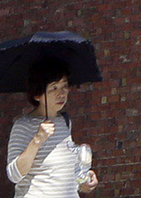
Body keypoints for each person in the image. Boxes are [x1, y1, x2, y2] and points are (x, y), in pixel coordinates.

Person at [7, 58, 98, 197]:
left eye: (64, 86)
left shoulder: (65, 121)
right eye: (54, 88)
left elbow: (59, 171)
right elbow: (14, 175)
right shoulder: (23, 126)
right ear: (37, 95)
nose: (61, 93)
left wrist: (83, 180)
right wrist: (37, 140)